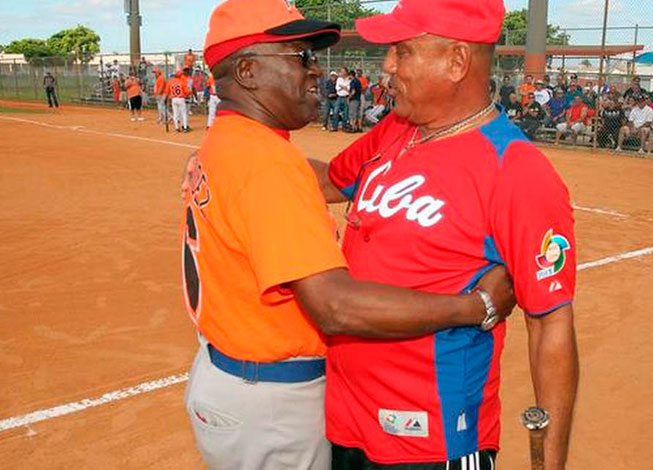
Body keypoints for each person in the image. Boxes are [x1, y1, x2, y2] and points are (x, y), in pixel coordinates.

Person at [183, 2, 515, 469]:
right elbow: (334, 306)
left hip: (237, 378)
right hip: (271, 402)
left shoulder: (231, 145)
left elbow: (325, 180)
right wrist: (474, 306)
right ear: (248, 71)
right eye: (301, 57)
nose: (316, 71)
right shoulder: (264, 166)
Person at [311, 1, 578, 468]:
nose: (388, 66)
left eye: (403, 51)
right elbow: (330, 180)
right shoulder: (396, 130)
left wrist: (549, 465)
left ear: (457, 61)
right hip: (347, 424)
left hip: (433, 444)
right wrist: (246, 160)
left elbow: (551, 324)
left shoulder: (517, 171)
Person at [331, 66, 351, 131]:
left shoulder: (349, 80)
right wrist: (344, 87)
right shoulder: (339, 79)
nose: (342, 73)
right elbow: (337, 88)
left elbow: (349, 89)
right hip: (339, 97)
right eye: (341, 71)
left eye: (343, 71)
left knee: (345, 112)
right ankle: (334, 126)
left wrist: (343, 87)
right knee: (335, 111)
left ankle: (344, 127)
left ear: (346, 72)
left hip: (346, 97)